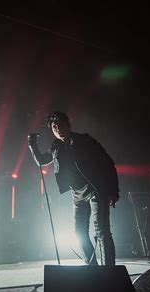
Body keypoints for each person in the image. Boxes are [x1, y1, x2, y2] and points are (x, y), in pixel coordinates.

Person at [27, 111, 119, 266]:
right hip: (77, 194)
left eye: (60, 125)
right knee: (79, 233)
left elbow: (108, 163)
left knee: (101, 231)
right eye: (54, 128)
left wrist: (113, 190)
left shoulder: (85, 140)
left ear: (67, 125)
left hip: (95, 190)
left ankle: (108, 270)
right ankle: (92, 267)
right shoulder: (56, 146)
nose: (57, 129)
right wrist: (32, 144)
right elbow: (42, 161)